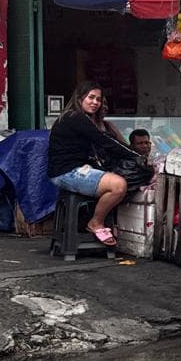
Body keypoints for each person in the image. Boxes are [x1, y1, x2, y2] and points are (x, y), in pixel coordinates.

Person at [47, 84, 129, 245]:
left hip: (76, 169)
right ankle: (96, 222)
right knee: (118, 185)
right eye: (91, 97)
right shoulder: (75, 117)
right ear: (79, 98)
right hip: (67, 172)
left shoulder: (82, 118)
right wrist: (135, 155)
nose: (95, 102)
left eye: (98, 99)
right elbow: (105, 141)